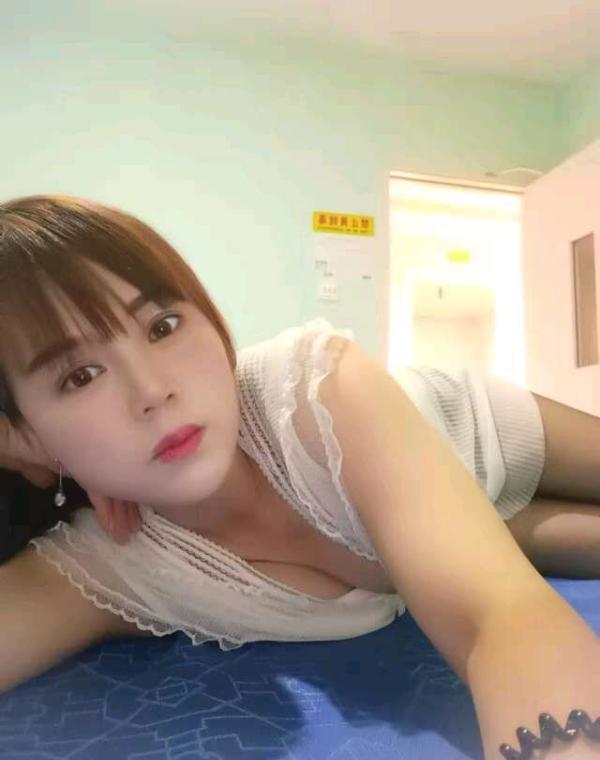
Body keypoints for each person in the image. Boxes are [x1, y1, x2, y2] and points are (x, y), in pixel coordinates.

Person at [0, 194, 597, 760]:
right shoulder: (110, 566)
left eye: (162, 326)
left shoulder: (313, 391)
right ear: (21, 433)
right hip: (487, 525)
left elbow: (502, 617)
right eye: (79, 377)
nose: (153, 391)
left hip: (476, 433)